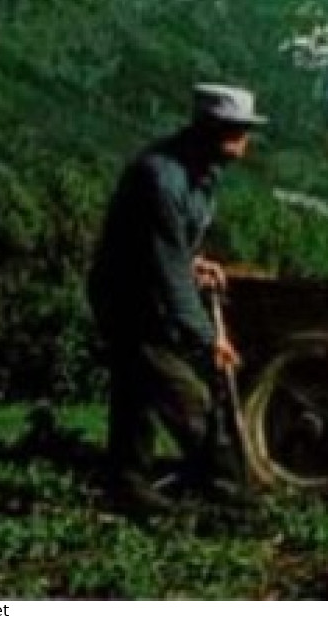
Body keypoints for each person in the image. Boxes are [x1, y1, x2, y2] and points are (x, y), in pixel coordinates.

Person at [87, 82, 266, 513]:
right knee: (189, 399)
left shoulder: (202, 173)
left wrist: (195, 261)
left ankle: (127, 485)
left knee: (136, 390)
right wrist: (210, 340)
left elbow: (172, 249)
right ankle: (229, 498)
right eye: (236, 131)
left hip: (147, 293)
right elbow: (165, 272)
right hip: (132, 302)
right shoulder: (161, 179)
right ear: (210, 129)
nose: (244, 143)